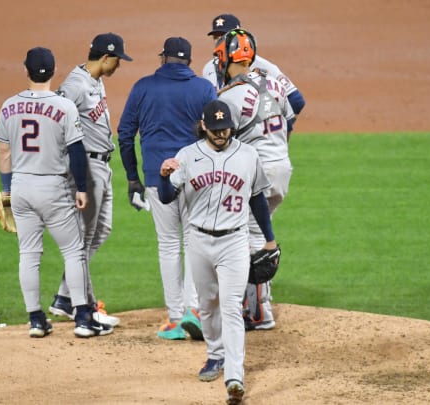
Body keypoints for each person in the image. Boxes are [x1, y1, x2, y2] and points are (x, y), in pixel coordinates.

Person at [157, 99, 280, 404]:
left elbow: (258, 200)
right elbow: (165, 197)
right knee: (208, 305)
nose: (220, 134)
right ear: (204, 127)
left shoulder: (248, 156)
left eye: (224, 128)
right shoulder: (187, 156)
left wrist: (269, 239)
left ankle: (234, 377)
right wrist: (163, 176)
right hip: (198, 241)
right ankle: (215, 355)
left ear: (231, 127)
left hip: (234, 242)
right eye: (214, 129)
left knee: (230, 306)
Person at [0, 47, 112, 339]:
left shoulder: (9, 106)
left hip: (21, 186)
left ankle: (36, 320)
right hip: (54, 188)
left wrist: (7, 189)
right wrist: (82, 188)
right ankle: (83, 318)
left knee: (29, 254)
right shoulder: (64, 106)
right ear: (53, 71)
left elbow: (4, 153)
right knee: (73, 251)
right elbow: (75, 152)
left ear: (26, 71)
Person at [118, 37, 217, 340]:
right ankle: (194, 311)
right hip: (195, 178)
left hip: (153, 177)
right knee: (193, 242)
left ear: (163, 59)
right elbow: (216, 131)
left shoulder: (142, 87)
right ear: (188, 61)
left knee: (168, 244)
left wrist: (132, 178)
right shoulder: (203, 88)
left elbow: (124, 134)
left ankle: (175, 318)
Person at [212, 28, 297, 331]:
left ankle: (259, 312)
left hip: (259, 173)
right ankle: (256, 305)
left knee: (252, 239)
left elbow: (220, 138)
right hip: (282, 165)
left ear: (226, 59)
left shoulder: (231, 96)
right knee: (257, 232)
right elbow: (290, 114)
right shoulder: (273, 82)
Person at [47, 33, 133, 328]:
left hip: (102, 166)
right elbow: (54, 120)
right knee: (81, 241)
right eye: (118, 60)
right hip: (86, 167)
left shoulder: (95, 80)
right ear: (106, 57)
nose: (119, 65)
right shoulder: (74, 85)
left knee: (101, 230)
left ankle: (64, 296)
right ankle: (86, 307)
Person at [202, 13, 306, 119]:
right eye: (216, 37)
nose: (219, 40)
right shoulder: (208, 68)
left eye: (224, 35)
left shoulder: (263, 65)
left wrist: (279, 129)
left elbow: (296, 101)